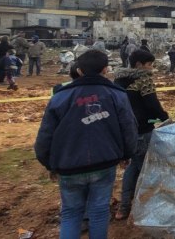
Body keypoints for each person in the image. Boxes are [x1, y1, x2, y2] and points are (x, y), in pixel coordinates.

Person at [34, 50, 138, 239]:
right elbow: (129, 127)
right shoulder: (116, 95)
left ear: (79, 71)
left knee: (71, 213)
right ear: (106, 70)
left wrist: (49, 163)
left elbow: (44, 137)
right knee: (99, 212)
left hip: (69, 167)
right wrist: (127, 154)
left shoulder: (59, 97)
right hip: (104, 164)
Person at [113, 49, 169, 221]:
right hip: (143, 129)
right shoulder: (143, 79)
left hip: (124, 131)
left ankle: (124, 206)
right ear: (139, 65)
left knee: (132, 167)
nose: (151, 68)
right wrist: (166, 118)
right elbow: (152, 105)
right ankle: (146, 207)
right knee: (147, 168)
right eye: (149, 64)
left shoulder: (118, 80)